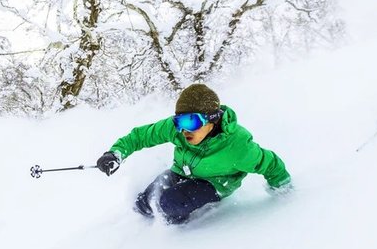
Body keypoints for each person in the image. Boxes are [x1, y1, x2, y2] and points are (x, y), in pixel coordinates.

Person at [96, 84, 291, 225]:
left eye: (191, 122)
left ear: (212, 120)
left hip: (214, 183)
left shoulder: (237, 146)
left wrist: (283, 188)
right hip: (182, 170)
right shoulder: (177, 129)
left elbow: (270, 163)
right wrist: (115, 153)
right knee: (143, 205)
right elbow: (141, 136)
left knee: (168, 206)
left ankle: (183, 228)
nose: (183, 130)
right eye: (179, 122)